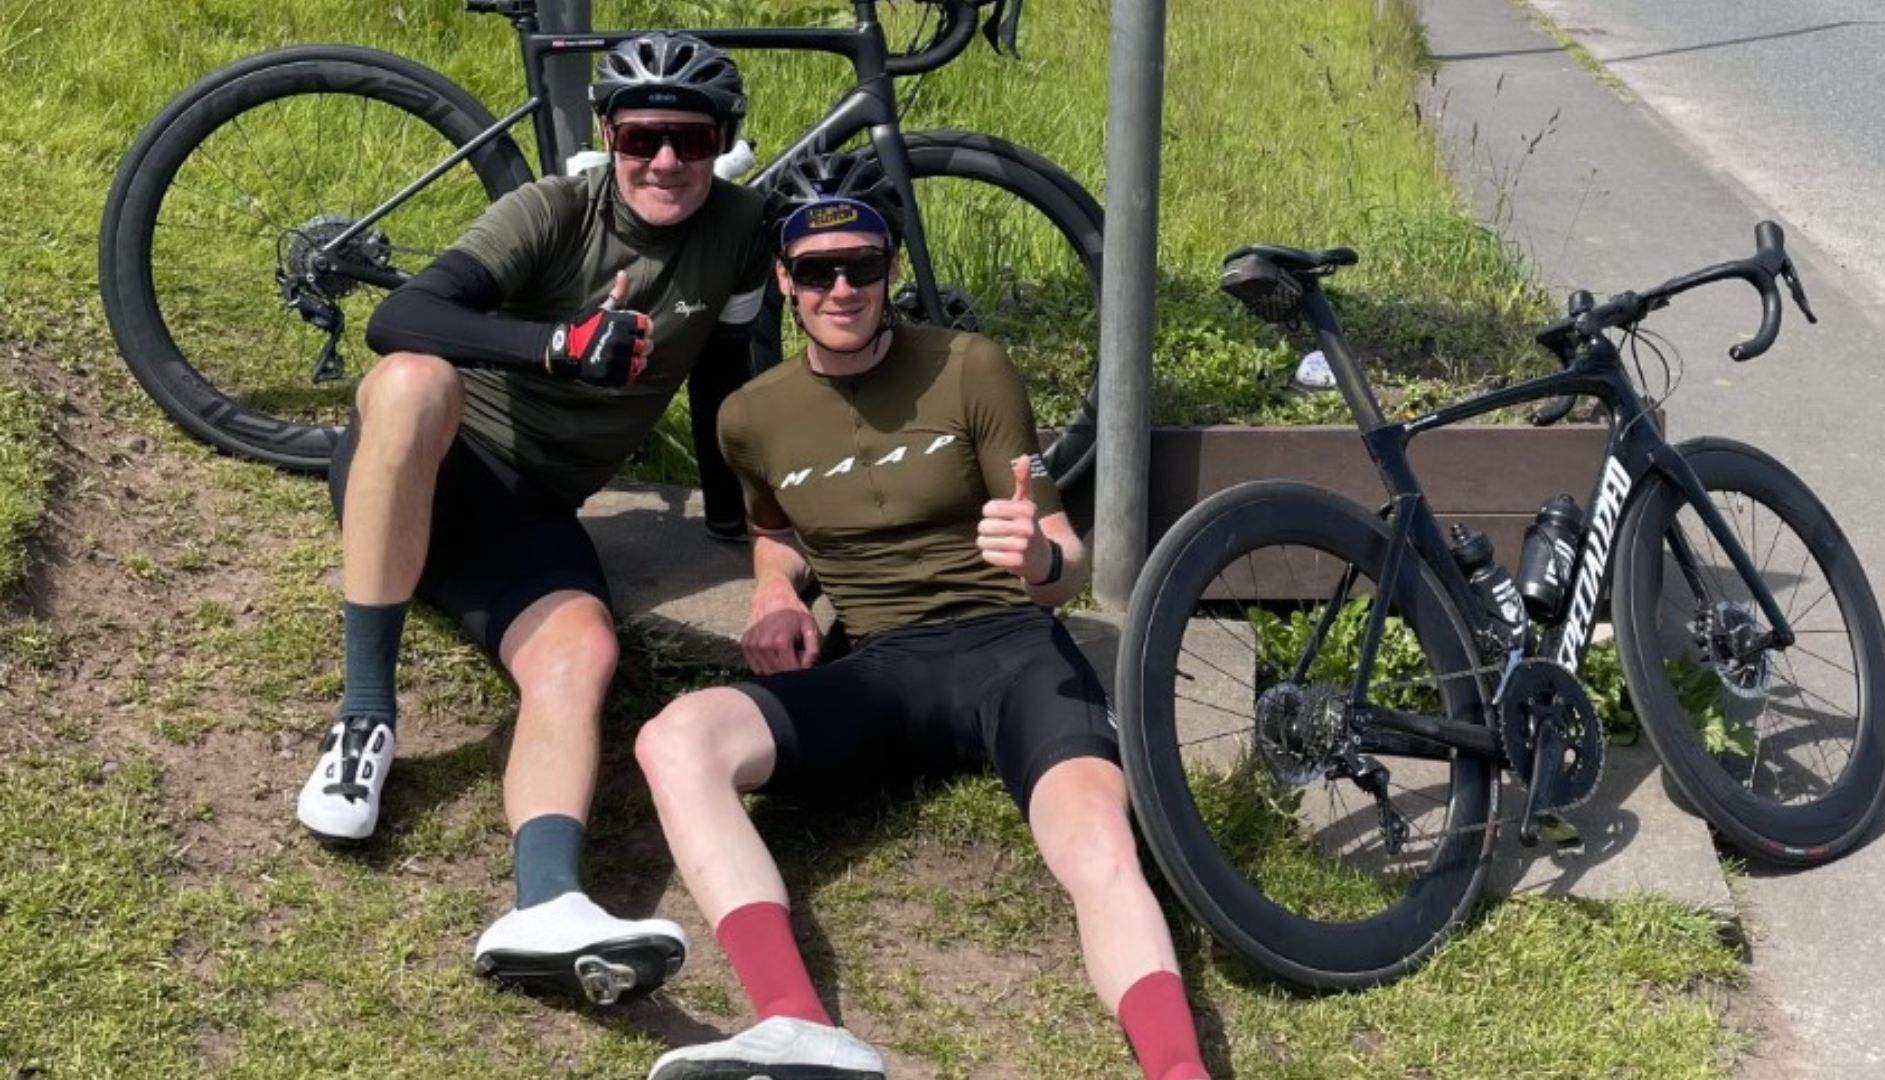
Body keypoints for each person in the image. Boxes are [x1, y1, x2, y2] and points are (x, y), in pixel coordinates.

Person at [632, 177, 1213, 1080]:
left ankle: (1180, 1072)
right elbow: (774, 531)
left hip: (1010, 646)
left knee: (1099, 837)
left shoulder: (968, 366)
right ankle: (794, 1025)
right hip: (880, 669)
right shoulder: (750, 416)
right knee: (675, 739)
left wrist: (1038, 560)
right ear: (784, 281)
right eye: (816, 272)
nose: (841, 289)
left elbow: (1062, 555)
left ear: (890, 268)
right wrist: (774, 594)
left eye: (861, 266)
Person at [299, 31, 772, 1005]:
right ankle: (363, 721)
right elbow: (401, 319)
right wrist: (558, 344)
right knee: (413, 381)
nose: (666, 161)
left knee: (582, 654)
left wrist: (739, 522)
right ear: (610, 134)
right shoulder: (555, 209)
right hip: (426, 463)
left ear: (725, 140)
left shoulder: (741, 230)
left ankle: (548, 904)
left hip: (526, 516)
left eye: (691, 139)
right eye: (642, 138)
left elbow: (725, 376)